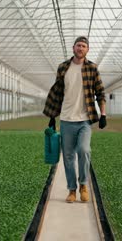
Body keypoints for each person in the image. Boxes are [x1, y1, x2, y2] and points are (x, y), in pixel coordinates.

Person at [43, 36, 107, 203]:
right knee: (69, 156)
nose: (80, 48)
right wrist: (52, 117)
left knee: (84, 150)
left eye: (84, 46)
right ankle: (72, 190)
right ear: (73, 48)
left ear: (87, 50)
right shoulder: (63, 67)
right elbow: (57, 93)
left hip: (85, 120)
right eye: (78, 45)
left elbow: (100, 93)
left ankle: (83, 185)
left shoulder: (92, 68)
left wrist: (103, 115)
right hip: (66, 119)